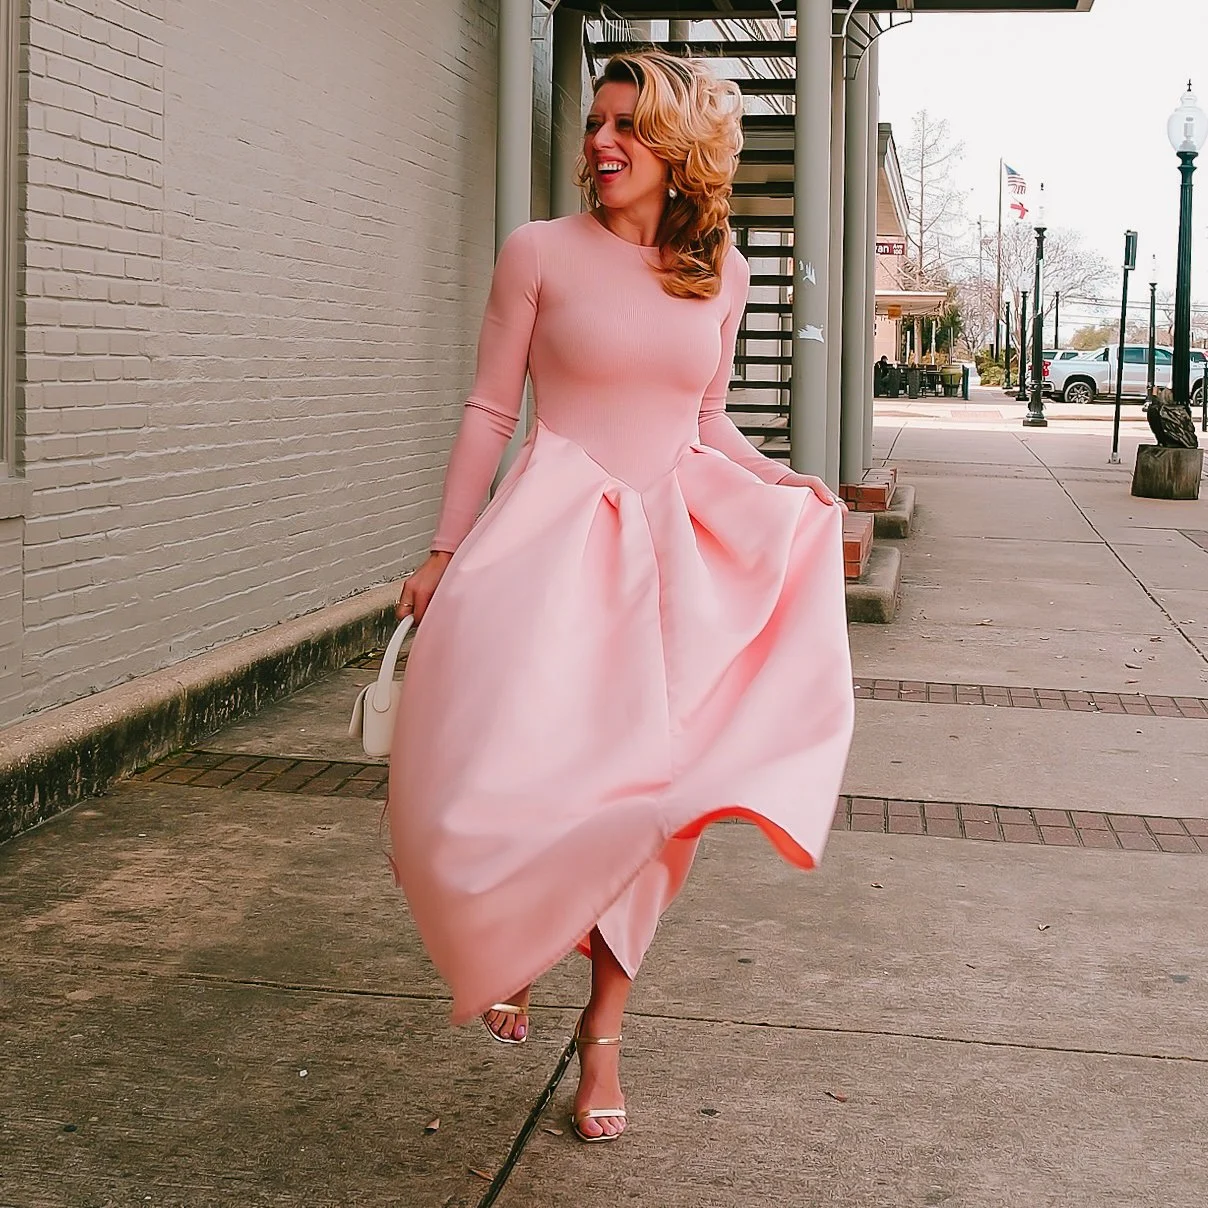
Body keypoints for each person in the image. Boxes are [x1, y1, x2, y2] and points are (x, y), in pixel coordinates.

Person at [388, 50, 855, 1144]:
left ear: (679, 150)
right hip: (546, 553)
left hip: (668, 563)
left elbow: (705, 421)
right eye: (595, 124)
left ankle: (602, 1030)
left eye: (626, 128)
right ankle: (512, 933)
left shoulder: (721, 266)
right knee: (509, 769)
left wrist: (782, 482)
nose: (600, 144)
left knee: (654, 803)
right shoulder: (537, 252)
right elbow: (488, 412)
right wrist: (443, 548)